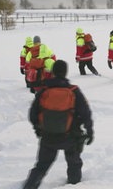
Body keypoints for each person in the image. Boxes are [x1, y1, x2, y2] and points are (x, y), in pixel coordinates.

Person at [23, 60, 94, 188]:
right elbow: (85, 113)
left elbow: (33, 114)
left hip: (48, 137)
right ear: (65, 72)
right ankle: (74, 184)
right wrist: (90, 131)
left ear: (53, 72)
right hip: (70, 137)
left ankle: (29, 186)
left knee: (41, 166)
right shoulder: (73, 91)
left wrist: (38, 129)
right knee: (74, 164)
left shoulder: (44, 91)